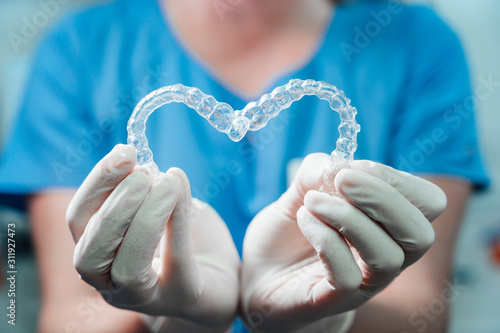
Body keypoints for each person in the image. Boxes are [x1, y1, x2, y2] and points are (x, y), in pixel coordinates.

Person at [0, 0, 489, 332]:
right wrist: (173, 316)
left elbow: (421, 309)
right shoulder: (81, 48)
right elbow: (69, 316)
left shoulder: (418, 44)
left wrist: (323, 316)